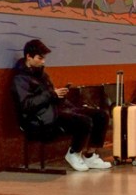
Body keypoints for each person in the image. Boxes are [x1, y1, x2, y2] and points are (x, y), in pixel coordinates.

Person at [11, 39, 112, 171]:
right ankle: (73, 153)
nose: (43, 62)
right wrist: (52, 95)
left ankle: (90, 155)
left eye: (44, 58)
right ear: (28, 57)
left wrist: (59, 94)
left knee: (101, 115)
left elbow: (50, 94)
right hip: (41, 118)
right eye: (40, 58)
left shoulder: (42, 75)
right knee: (83, 121)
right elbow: (26, 105)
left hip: (56, 109)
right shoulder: (20, 79)